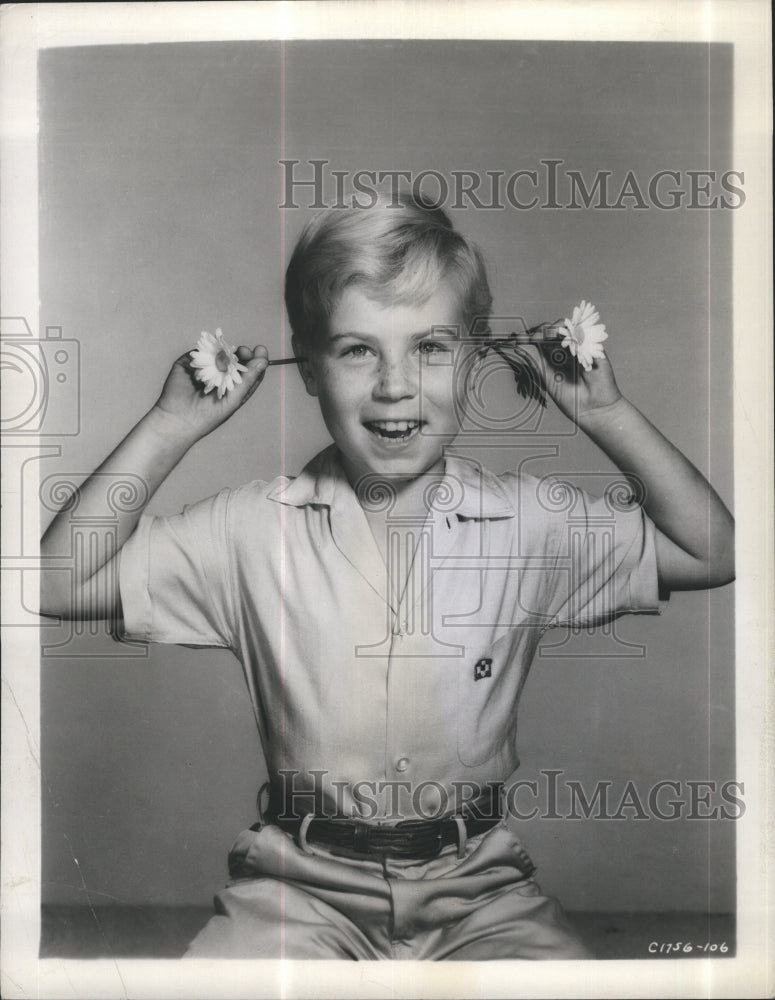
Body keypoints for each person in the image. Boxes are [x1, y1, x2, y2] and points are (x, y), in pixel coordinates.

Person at [40, 190, 735, 960]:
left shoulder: (530, 523)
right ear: (307, 367)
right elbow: (56, 582)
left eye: (431, 347)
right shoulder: (248, 530)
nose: (395, 384)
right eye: (356, 349)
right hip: (296, 891)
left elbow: (712, 550)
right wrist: (170, 425)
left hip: (482, 892)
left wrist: (604, 414)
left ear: (473, 359)